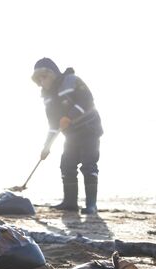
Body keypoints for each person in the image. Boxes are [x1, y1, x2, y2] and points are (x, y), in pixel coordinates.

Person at [32, 58, 103, 214]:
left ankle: (91, 205)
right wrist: (46, 147)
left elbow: (87, 101)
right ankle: (70, 202)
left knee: (88, 165)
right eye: (39, 79)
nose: (42, 82)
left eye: (44, 77)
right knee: (67, 165)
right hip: (71, 135)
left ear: (52, 74)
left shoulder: (72, 81)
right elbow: (53, 126)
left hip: (89, 130)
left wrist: (70, 116)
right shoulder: (48, 97)